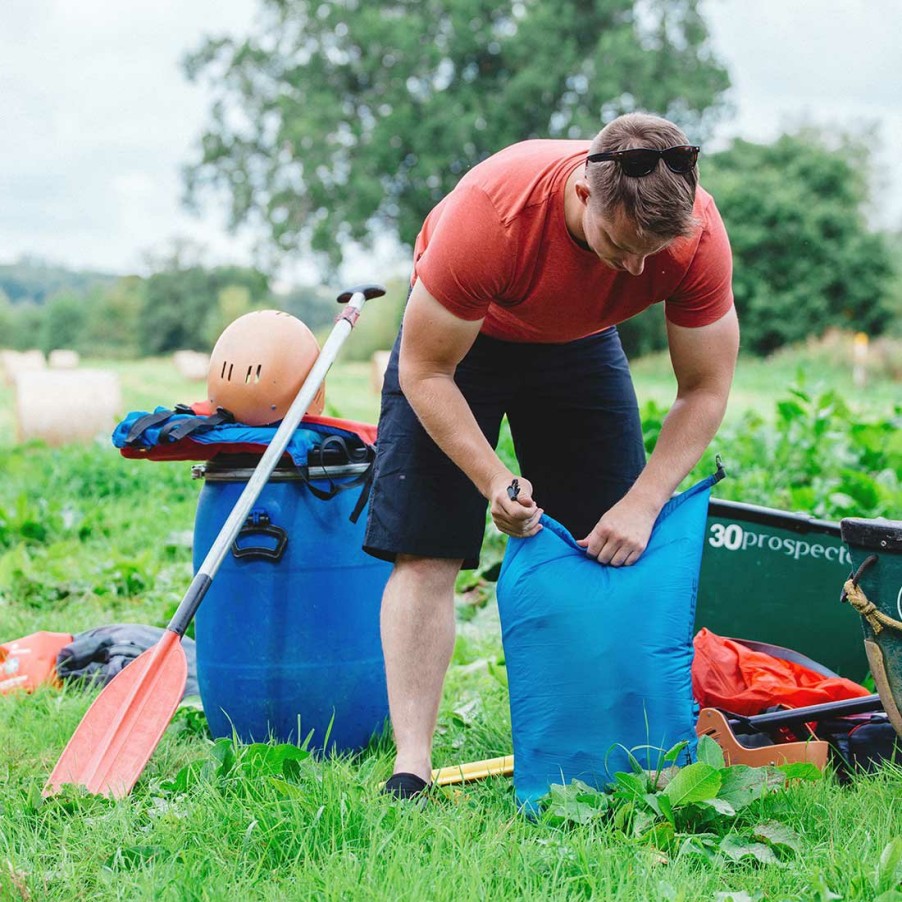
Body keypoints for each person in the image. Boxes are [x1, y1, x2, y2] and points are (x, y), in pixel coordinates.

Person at [363, 112, 740, 799]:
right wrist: (493, 480)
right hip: (459, 348)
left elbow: (706, 387)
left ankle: (596, 748)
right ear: (583, 193)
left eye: (651, 255)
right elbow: (424, 372)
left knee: (609, 548)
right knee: (426, 547)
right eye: (619, 246)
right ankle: (411, 764)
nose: (634, 269)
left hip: (578, 346)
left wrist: (643, 500)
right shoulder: (493, 215)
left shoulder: (695, 236)